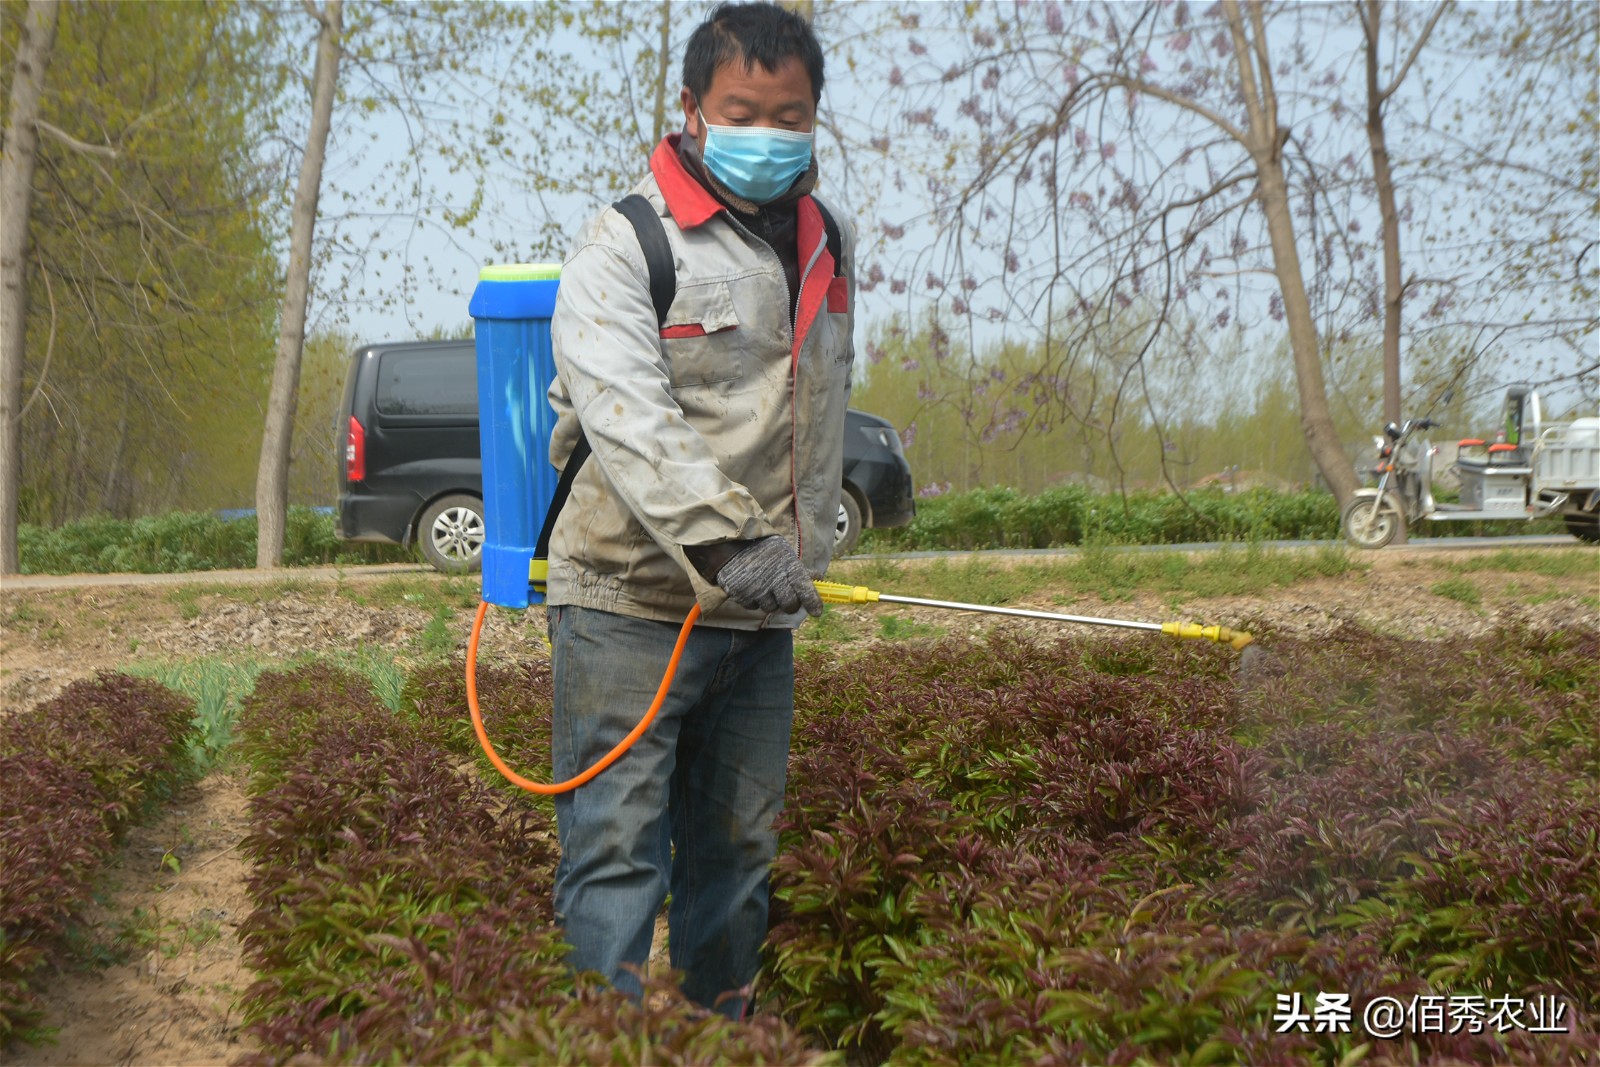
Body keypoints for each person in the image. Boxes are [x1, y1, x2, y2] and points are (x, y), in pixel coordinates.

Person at [543, 1, 854, 1017]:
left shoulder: (824, 241)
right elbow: (628, 418)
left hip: (756, 616)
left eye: (791, 114)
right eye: (743, 111)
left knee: (737, 851)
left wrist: (807, 544)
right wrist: (730, 543)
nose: (770, 134)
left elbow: (812, 408)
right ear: (691, 109)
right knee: (619, 848)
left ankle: (718, 1032)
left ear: (815, 115)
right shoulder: (625, 242)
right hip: (629, 604)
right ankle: (606, 1038)